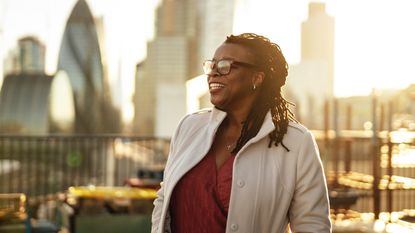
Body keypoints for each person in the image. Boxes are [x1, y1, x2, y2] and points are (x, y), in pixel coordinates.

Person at [151, 33, 331, 233]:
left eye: (225, 65)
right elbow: (163, 198)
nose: (213, 73)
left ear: (257, 78)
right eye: (212, 65)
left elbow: (313, 226)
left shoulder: (296, 143)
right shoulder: (189, 127)